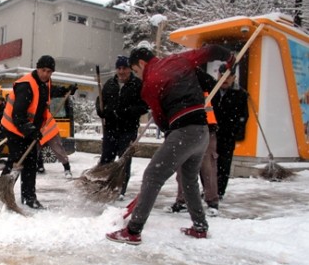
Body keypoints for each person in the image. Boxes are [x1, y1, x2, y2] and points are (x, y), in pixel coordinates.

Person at [106, 45, 236, 245]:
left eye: (136, 71)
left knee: (153, 175)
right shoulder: (180, 59)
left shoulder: (149, 84)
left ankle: (133, 231)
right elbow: (209, 51)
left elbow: (160, 118)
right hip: (202, 131)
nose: (138, 76)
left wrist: (171, 134)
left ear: (141, 63)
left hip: (183, 131)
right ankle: (200, 227)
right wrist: (228, 57)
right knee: (189, 178)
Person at [0, 55, 75, 209]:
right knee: (17, 160)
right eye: (43, 70)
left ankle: (28, 197)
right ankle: (3, 192)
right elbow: (18, 116)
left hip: (27, 129)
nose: (46, 74)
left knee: (30, 162)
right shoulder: (26, 85)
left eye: (49, 71)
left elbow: (49, 91)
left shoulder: (44, 83)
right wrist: (31, 130)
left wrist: (65, 90)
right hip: (14, 128)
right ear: (37, 68)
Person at [165, 68, 220, 217]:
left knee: (207, 167)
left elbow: (215, 93)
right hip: (183, 130)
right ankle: (182, 201)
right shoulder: (176, 84)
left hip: (207, 129)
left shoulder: (203, 81)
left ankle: (212, 200)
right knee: (182, 168)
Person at [96, 55, 149, 200]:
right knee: (106, 157)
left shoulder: (137, 85)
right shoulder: (109, 84)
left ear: (130, 69)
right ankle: (103, 184)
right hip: (111, 128)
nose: (121, 71)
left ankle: (120, 189)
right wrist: (101, 111)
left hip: (128, 129)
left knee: (124, 159)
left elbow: (144, 106)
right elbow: (100, 100)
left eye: (124, 68)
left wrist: (128, 112)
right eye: (119, 68)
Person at [212, 63, 249, 200]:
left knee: (224, 164)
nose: (225, 79)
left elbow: (243, 116)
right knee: (208, 165)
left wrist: (235, 131)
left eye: (229, 76)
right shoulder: (212, 90)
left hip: (227, 135)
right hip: (211, 134)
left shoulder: (240, 94)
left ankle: (219, 192)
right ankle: (209, 190)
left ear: (234, 77)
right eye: (222, 75)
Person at [37, 96, 75, 178]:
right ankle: (39, 167)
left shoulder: (40, 105)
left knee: (58, 150)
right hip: (37, 132)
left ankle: (67, 169)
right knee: (34, 150)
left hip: (50, 131)